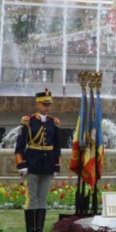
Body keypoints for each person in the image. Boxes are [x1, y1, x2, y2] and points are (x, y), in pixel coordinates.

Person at [15, 89, 61, 232]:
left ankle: (39, 229)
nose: (47, 107)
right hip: (32, 165)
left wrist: (56, 166)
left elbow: (57, 147)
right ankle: (31, 229)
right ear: (37, 105)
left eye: (49, 105)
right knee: (32, 198)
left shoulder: (54, 122)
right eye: (44, 104)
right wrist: (21, 164)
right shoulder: (28, 122)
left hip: (47, 166)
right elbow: (20, 146)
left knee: (42, 197)